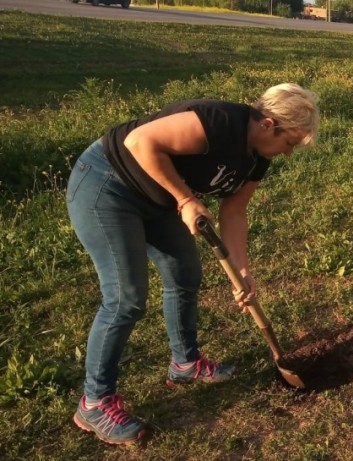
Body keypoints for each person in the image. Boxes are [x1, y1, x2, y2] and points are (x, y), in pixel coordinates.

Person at [66, 83, 319, 445]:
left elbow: (234, 210)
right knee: (126, 297)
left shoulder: (257, 158)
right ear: (268, 123)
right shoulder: (218, 121)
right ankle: (93, 402)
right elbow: (139, 142)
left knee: (185, 274)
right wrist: (185, 199)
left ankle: (184, 363)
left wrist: (242, 270)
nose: (289, 153)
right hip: (108, 185)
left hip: (157, 199)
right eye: (290, 142)